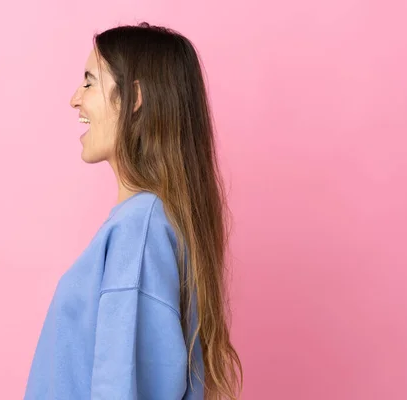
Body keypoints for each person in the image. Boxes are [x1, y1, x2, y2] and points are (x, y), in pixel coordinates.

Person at [24, 22, 243, 400]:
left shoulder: (138, 231)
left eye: (90, 81)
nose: (75, 98)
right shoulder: (151, 225)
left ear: (132, 97)